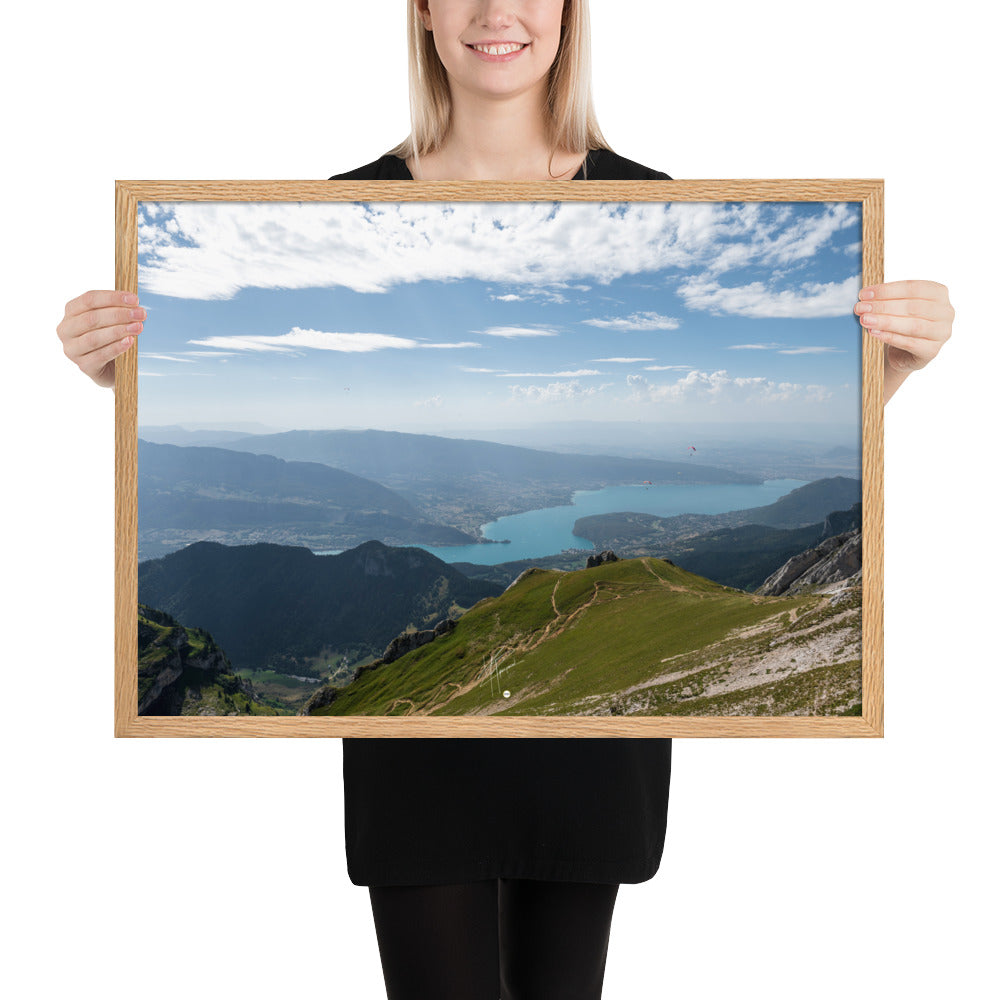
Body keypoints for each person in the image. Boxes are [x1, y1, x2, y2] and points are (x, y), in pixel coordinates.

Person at [56, 2, 954, 997]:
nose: (496, 11)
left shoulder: (657, 206)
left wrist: (895, 366)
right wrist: (127, 378)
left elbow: (848, 420)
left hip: (587, 758)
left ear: (570, 13)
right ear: (424, 13)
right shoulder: (337, 212)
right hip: (417, 766)